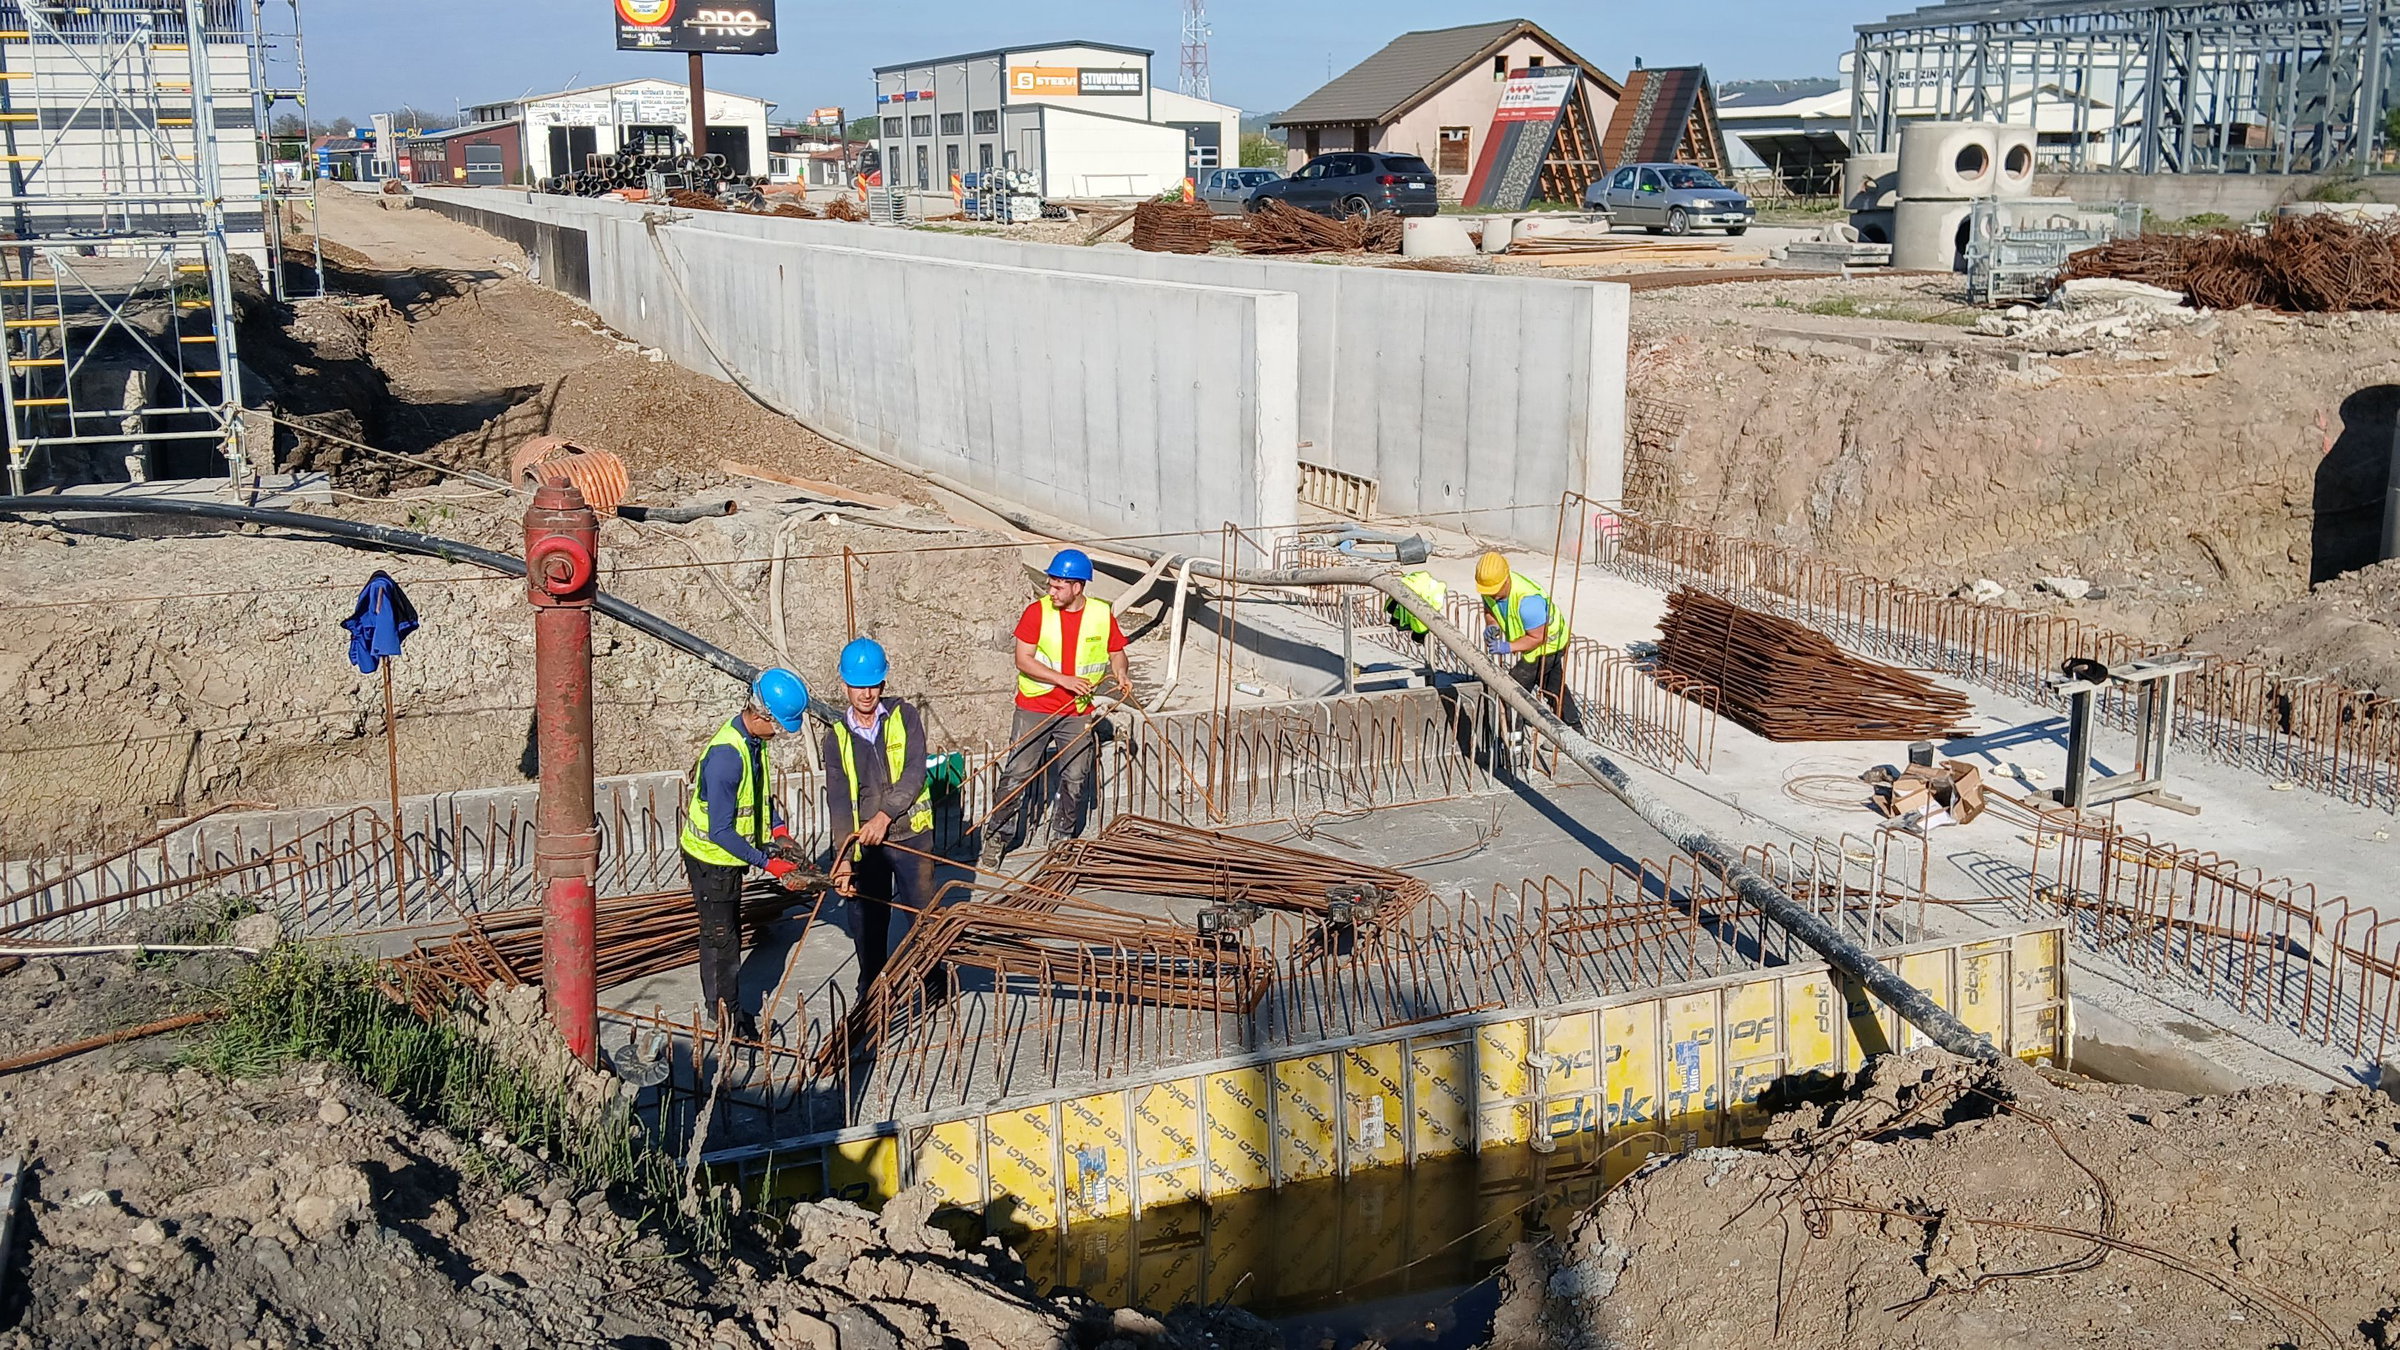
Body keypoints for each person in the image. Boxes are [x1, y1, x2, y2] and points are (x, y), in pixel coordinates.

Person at [677, 666, 812, 1040]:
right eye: (780, 725)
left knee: (723, 936)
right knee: (723, 942)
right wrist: (770, 864)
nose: (781, 733)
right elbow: (721, 831)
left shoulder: (754, 743)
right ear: (761, 715)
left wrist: (780, 831)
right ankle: (728, 1022)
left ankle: (720, 1007)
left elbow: (758, 798)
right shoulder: (726, 757)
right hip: (711, 860)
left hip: (727, 856)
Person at [978, 548, 1132, 873]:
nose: (1051, 590)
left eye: (1058, 585)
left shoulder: (1101, 615)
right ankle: (997, 837)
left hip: (1077, 711)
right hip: (1035, 706)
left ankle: (1060, 839)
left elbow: (1117, 651)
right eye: (1050, 583)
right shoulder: (1037, 613)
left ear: (1078, 586)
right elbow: (1023, 659)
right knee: (1017, 773)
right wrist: (1064, 680)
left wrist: (1121, 672)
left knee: (1076, 776)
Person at [822, 638, 934, 996]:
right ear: (844, 685)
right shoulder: (836, 737)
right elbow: (839, 802)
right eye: (858, 686)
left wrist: (885, 816)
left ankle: (933, 981)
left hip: (911, 835)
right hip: (867, 846)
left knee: (922, 915)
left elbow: (915, 773)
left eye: (873, 685)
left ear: (883, 683)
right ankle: (870, 987)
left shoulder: (905, 716)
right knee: (868, 920)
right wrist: (842, 859)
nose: (866, 694)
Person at [1475, 551, 1584, 731]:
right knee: (1552, 685)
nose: (1492, 595)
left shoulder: (1528, 602)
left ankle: (1514, 735)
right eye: (1488, 591)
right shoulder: (1490, 588)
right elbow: (1490, 609)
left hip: (1548, 645)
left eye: (1495, 591)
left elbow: (1538, 637)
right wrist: (1491, 625)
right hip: (1534, 642)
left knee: (1513, 689)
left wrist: (1507, 647)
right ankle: (1573, 728)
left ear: (1506, 578)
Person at [1385, 569, 1450, 678]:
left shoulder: (1420, 624)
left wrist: (1395, 619)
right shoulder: (1420, 621)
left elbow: (1392, 609)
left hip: (1413, 585)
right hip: (1413, 586)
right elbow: (1392, 608)